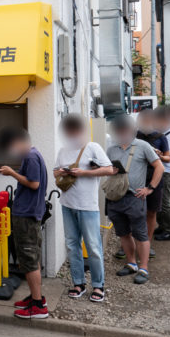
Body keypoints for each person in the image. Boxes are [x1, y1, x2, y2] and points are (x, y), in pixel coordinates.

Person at [53, 114, 114, 303]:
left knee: (93, 246)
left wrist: (84, 172)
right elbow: (55, 172)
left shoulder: (92, 147)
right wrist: (62, 172)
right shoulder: (63, 150)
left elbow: (109, 169)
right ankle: (78, 283)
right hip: (67, 203)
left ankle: (98, 285)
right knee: (72, 245)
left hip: (88, 205)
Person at [0, 127, 49, 319]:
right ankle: (36, 298)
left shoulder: (32, 157)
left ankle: (38, 306)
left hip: (27, 216)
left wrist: (12, 173)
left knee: (29, 260)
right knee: (30, 259)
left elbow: (34, 184)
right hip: (28, 214)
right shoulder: (32, 155)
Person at [106, 114, 164, 284]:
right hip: (116, 197)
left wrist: (150, 188)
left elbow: (159, 166)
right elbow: (107, 169)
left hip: (135, 196)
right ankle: (131, 263)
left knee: (140, 234)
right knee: (123, 233)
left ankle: (144, 268)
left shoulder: (143, 146)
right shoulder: (111, 149)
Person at [135, 109, 170, 256]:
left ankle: (147, 244)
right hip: (137, 178)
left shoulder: (161, 137)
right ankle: (130, 244)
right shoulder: (134, 135)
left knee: (151, 212)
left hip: (155, 178)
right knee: (135, 213)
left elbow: (169, 158)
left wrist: (160, 156)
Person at [153, 107, 170, 241]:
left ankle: (169, 230)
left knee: (164, 202)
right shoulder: (165, 133)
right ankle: (162, 226)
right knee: (160, 201)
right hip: (163, 170)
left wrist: (157, 153)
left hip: (167, 171)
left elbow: (167, 156)